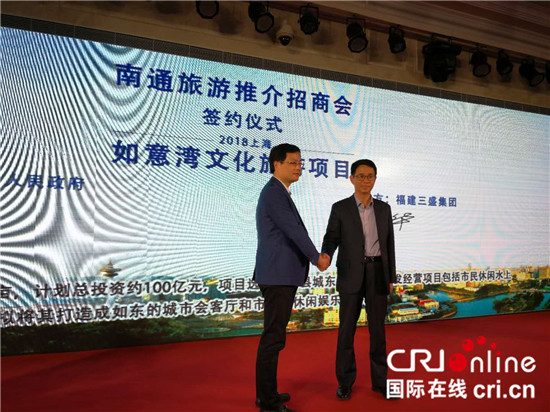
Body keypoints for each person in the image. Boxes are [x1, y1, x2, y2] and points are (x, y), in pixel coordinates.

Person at [254, 143, 330, 412]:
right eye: (293, 163)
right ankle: (268, 402)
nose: (299, 168)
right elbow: (293, 231)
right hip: (278, 275)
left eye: (300, 163)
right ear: (276, 164)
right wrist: (316, 257)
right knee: (273, 338)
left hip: (279, 274)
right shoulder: (274, 192)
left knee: (274, 337)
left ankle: (267, 394)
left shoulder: (278, 192)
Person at [321, 159, 396, 401]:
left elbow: (389, 245)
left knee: (378, 332)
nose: (365, 180)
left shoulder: (384, 209)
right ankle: (345, 382)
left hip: (378, 274)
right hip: (350, 274)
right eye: (361, 176)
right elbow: (331, 237)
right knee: (346, 331)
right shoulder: (340, 208)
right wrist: (326, 255)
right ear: (352, 178)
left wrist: (391, 277)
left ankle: (381, 383)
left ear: (375, 179)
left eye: (370, 176)